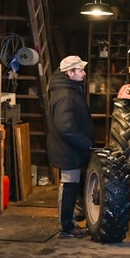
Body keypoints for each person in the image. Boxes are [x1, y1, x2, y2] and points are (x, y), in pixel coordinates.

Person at [46, 55, 94, 238]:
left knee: (73, 184)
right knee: (68, 185)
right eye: (80, 70)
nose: (84, 73)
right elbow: (66, 127)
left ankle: (71, 218)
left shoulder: (70, 89)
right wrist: (86, 143)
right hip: (68, 150)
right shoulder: (66, 95)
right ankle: (66, 226)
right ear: (70, 73)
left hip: (71, 148)